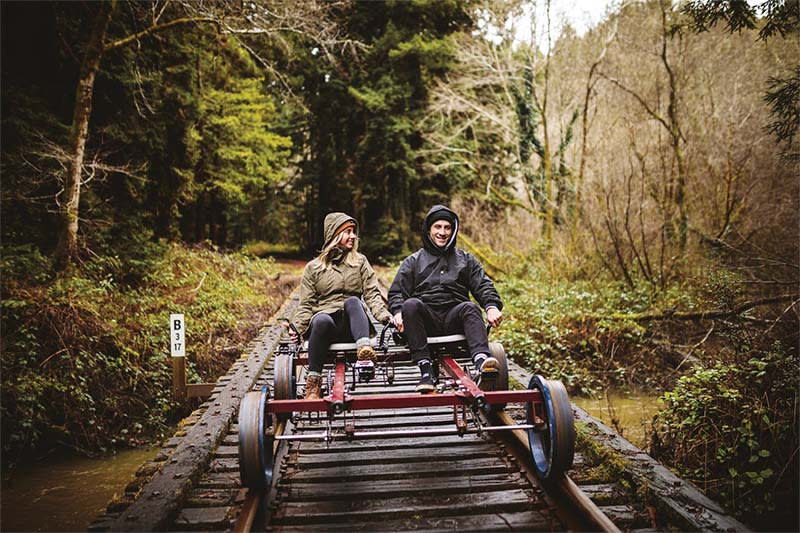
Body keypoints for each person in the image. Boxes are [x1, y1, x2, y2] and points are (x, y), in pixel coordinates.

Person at [388, 205, 503, 393]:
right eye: (438, 227)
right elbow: (397, 293)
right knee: (410, 305)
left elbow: (483, 285)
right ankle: (425, 370)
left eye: (447, 228)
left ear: (453, 230)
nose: (442, 232)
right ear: (429, 230)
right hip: (426, 322)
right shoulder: (413, 261)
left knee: (470, 307)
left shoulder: (465, 259)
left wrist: (491, 307)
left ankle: (482, 361)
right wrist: (398, 312)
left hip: (454, 317)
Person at [289, 212, 391, 400]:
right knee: (320, 319)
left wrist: (384, 316)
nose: (353, 236)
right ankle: (314, 384)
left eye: (354, 232)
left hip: (353, 326)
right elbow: (306, 303)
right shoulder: (314, 268)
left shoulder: (360, 262)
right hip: (326, 327)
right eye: (348, 232)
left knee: (352, 301)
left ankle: (364, 352)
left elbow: (372, 294)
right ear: (334, 235)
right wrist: (297, 327)